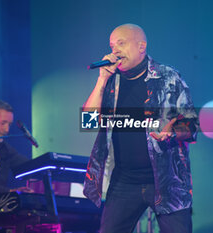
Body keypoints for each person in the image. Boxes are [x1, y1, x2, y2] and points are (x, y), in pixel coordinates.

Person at [83, 24, 199, 233]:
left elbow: (191, 124)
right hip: (125, 181)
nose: (115, 50)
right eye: (112, 45)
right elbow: (88, 122)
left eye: (121, 43)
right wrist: (101, 80)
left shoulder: (168, 77)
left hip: (167, 180)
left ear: (141, 46)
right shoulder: (111, 81)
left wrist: (172, 131)